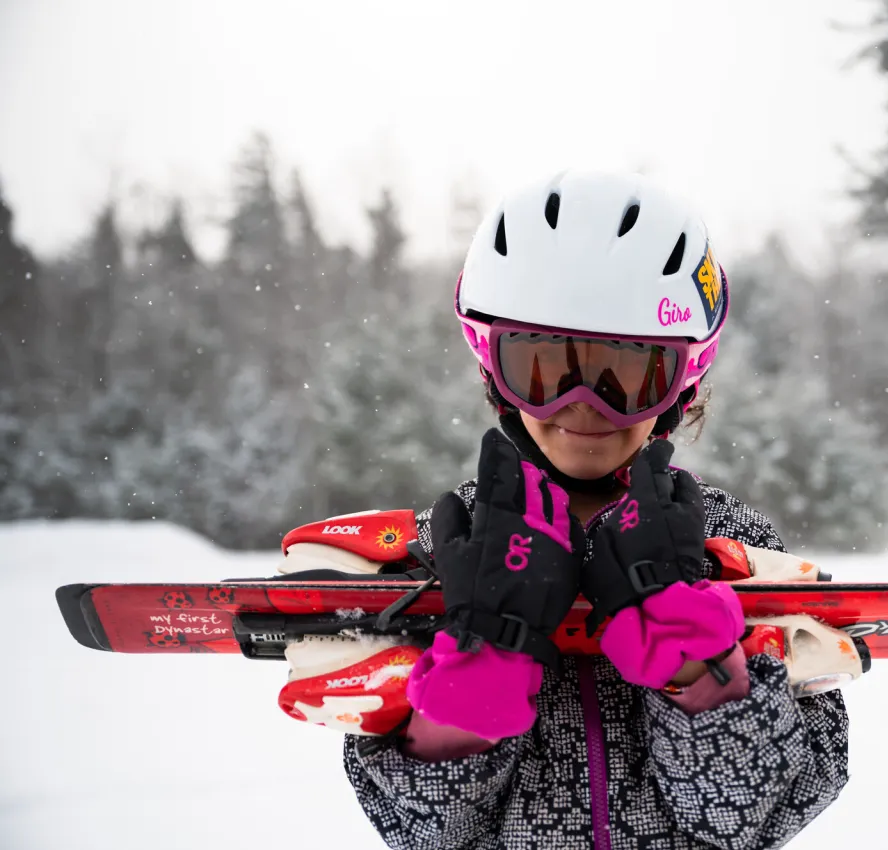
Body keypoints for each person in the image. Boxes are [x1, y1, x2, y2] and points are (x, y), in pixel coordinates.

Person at [275, 170, 852, 849]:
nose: (584, 406)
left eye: (628, 374)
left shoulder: (732, 545)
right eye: (545, 369)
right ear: (494, 369)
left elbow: (749, 819)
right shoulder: (446, 552)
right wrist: (482, 656)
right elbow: (426, 833)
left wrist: (693, 657)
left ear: (683, 380)